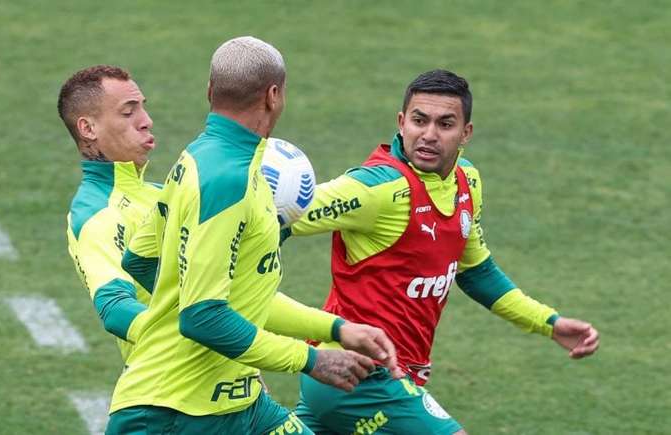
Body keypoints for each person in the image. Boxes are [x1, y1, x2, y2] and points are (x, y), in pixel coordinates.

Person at [105, 36, 402, 435]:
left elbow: (142, 262)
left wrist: (336, 329)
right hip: (174, 413)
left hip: (239, 405)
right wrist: (312, 360)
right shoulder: (228, 180)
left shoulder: (200, 159)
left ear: (210, 91)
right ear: (274, 96)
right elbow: (203, 316)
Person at [285, 69, 601, 434]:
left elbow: (477, 272)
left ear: (466, 132)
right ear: (402, 123)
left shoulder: (467, 181)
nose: (429, 135)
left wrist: (550, 323)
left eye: (445, 124)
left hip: (385, 378)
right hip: (360, 373)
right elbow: (283, 211)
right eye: (420, 121)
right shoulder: (377, 189)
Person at [60, 65, 160, 360]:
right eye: (128, 112)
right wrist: (210, 341)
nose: (146, 121)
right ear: (88, 129)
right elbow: (116, 309)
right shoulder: (97, 214)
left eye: (143, 108)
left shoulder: (163, 193)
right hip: (171, 395)